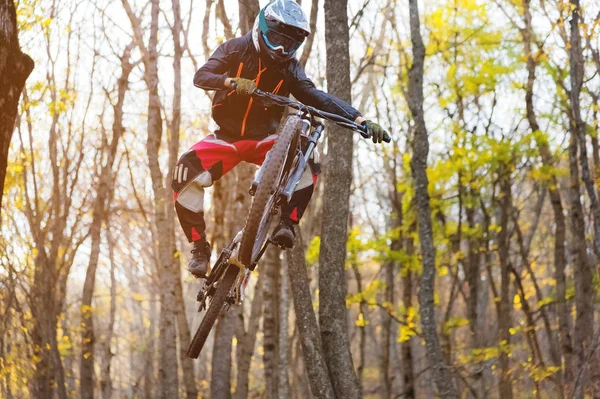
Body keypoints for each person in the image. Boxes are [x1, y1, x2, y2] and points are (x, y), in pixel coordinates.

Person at [172, 0, 389, 277]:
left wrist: (360, 120)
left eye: (289, 44)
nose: (280, 49)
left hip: (267, 140)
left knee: (310, 156)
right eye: (275, 39)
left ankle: (287, 223)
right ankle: (200, 248)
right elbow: (202, 76)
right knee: (183, 172)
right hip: (225, 137)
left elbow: (316, 96)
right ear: (262, 28)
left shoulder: (290, 68)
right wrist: (231, 82)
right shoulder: (235, 48)